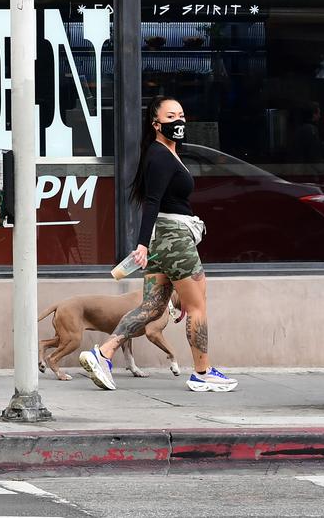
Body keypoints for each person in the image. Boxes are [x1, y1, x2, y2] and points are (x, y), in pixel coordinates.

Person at [78, 96, 236, 393]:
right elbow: (151, 202)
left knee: (151, 307)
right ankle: (202, 372)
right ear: (156, 124)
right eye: (171, 116)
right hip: (174, 239)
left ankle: (104, 353)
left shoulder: (165, 153)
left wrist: (147, 243)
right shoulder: (160, 156)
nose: (179, 121)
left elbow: (154, 202)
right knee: (197, 306)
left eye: (182, 114)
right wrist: (140, 244)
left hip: (162, 239)